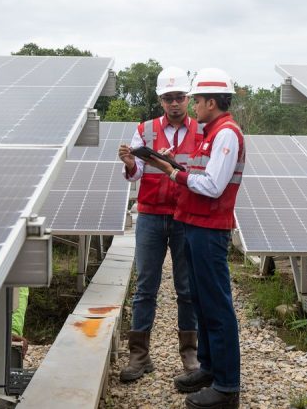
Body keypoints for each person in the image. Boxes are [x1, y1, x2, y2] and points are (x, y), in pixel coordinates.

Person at [146, 67, 244, 409]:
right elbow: (202, 175)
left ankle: (227, 386)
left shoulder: (226, 134)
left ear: (212, 102)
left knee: (217, 306)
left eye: (198, 99)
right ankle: (209, 368)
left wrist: (174, 173)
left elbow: (214, 186)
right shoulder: (211, 132)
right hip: (194, 224)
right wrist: (179, 170)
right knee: (202, 302)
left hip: (209, 228)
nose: (194, 105)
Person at [116, 66, 204, 382]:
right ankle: (139, 356)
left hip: (184, 216)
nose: (174, 103)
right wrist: (130, 165)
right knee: (145, 287)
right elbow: (137, 171)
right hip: (151, 215)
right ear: (161, 100)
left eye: (179, 97)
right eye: (168, 98)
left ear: (188, 98)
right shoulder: (146, 129)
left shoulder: (202, 132)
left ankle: (190, 354)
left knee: (187, 288)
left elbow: (205, 173)